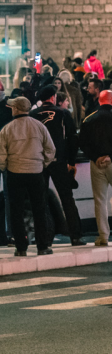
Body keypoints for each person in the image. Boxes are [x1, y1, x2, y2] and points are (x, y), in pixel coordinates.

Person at [0, 97, 56, 256]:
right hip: (36, 173)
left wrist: (5, 168)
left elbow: (1, 155)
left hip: (15, 173)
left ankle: (21, 248)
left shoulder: (7, 129)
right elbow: (51, 149)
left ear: (16, 109)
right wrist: (42, 164)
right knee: (39, 209)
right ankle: (42, 246)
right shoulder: (39, 126)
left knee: (16, 211)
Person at [32, 85, 83, 246]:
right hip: (59, 161)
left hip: (39, 162)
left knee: (40, 201)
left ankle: (44, 238)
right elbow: (72, 138)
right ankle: (75, 235)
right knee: (67, 198)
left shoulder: (32, 115)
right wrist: (71, 161)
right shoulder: (62, 113)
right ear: (53, 97)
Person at [80, 90, 112, 246]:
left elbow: (83, 143)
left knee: (100, 199)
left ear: (100, 101)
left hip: (96, 163)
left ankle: (103, 236)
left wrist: (95, 157)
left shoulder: (89, 119)